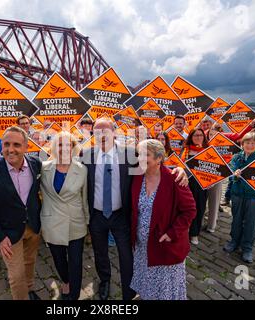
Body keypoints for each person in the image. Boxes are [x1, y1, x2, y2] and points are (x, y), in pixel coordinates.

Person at [80, 118, 189, 300]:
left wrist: (178, 169)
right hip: (97, 215)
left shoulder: (130, 154)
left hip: (121, 215)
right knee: (100, 253)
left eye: (105, 131)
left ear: (114, 132)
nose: (101, 136)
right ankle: (105, 280)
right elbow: (63, 165)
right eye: (96, 133)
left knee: (126, 255)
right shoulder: (86, 156)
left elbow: (154, 164)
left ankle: (129, 291)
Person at [0, 126, 42, 300]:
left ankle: (29, 289)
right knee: (16, 275)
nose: (10, 149)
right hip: (8, 234)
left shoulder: (36, 164)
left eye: (16, 145)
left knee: (30, 262)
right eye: (6, 144)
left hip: (33, 227)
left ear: (26, 147)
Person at [130, 139, 196, 300]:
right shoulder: (137, 175)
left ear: (159, 158)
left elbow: (189, 210)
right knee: (146, 277)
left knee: (165, 285)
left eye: (146, 154)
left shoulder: (174, 178)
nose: (140, 158)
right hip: (142, 244)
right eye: (139, 154)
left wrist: (172, 233)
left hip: (165, 243)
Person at [40, 132, 89, 300]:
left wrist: (87, 221)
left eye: (69, 144)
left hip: (75, 222)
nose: (64, 148)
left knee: (75, 262)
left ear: (74, 148)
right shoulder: (44, 167)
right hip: (51, 221)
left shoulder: (82, 170)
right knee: (59, 259)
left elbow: (84, 198)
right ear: (54, 147)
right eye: (60, 144)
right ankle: (65, 280)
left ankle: (73, 296)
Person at [223, 132, 255, 264]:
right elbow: (229, 172)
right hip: (238, 194)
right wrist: (234, 174)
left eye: (253, 143)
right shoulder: (236, 157)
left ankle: (247, 248)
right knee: (237, 219)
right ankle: (234, 241)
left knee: (251, 222)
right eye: (247, 142)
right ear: (242, 144)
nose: (250, 145)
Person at [181, 128, 209, 245]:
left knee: (200, 208)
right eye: (195, 135)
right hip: (187, 183)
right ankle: (184, 230)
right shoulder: (185, 150)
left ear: (204, 137)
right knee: (186, 208)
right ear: (191, 137)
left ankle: (194, 233)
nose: (198, 137)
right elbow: (180, 165)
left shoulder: (208, 151)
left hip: (202, 185)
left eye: (200, 135)